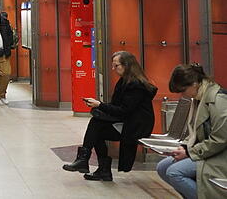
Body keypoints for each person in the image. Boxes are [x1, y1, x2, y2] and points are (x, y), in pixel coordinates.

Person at [62, 51, 157, 181]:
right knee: (96, 126)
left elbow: (123, 110)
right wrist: (99, 106)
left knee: (96, 126)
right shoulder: (125, 82)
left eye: (116, 65)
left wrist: (99, 105)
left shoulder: (136, 85)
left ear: (127, 65)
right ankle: (96, 167)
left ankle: (88, 161)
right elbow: (118, 107)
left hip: (135, 126)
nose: (113, 69)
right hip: (127, 121)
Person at [156, 63, 227, 199]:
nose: (184, 95)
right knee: (162, 167)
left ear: (194, 84)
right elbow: (197, 134)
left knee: (174, 172)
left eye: (183, 90)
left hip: (220, 156)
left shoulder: (218, 100)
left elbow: (220, 139)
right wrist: (183, 148)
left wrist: (190, 152)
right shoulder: (200, 98)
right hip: (208, 151)